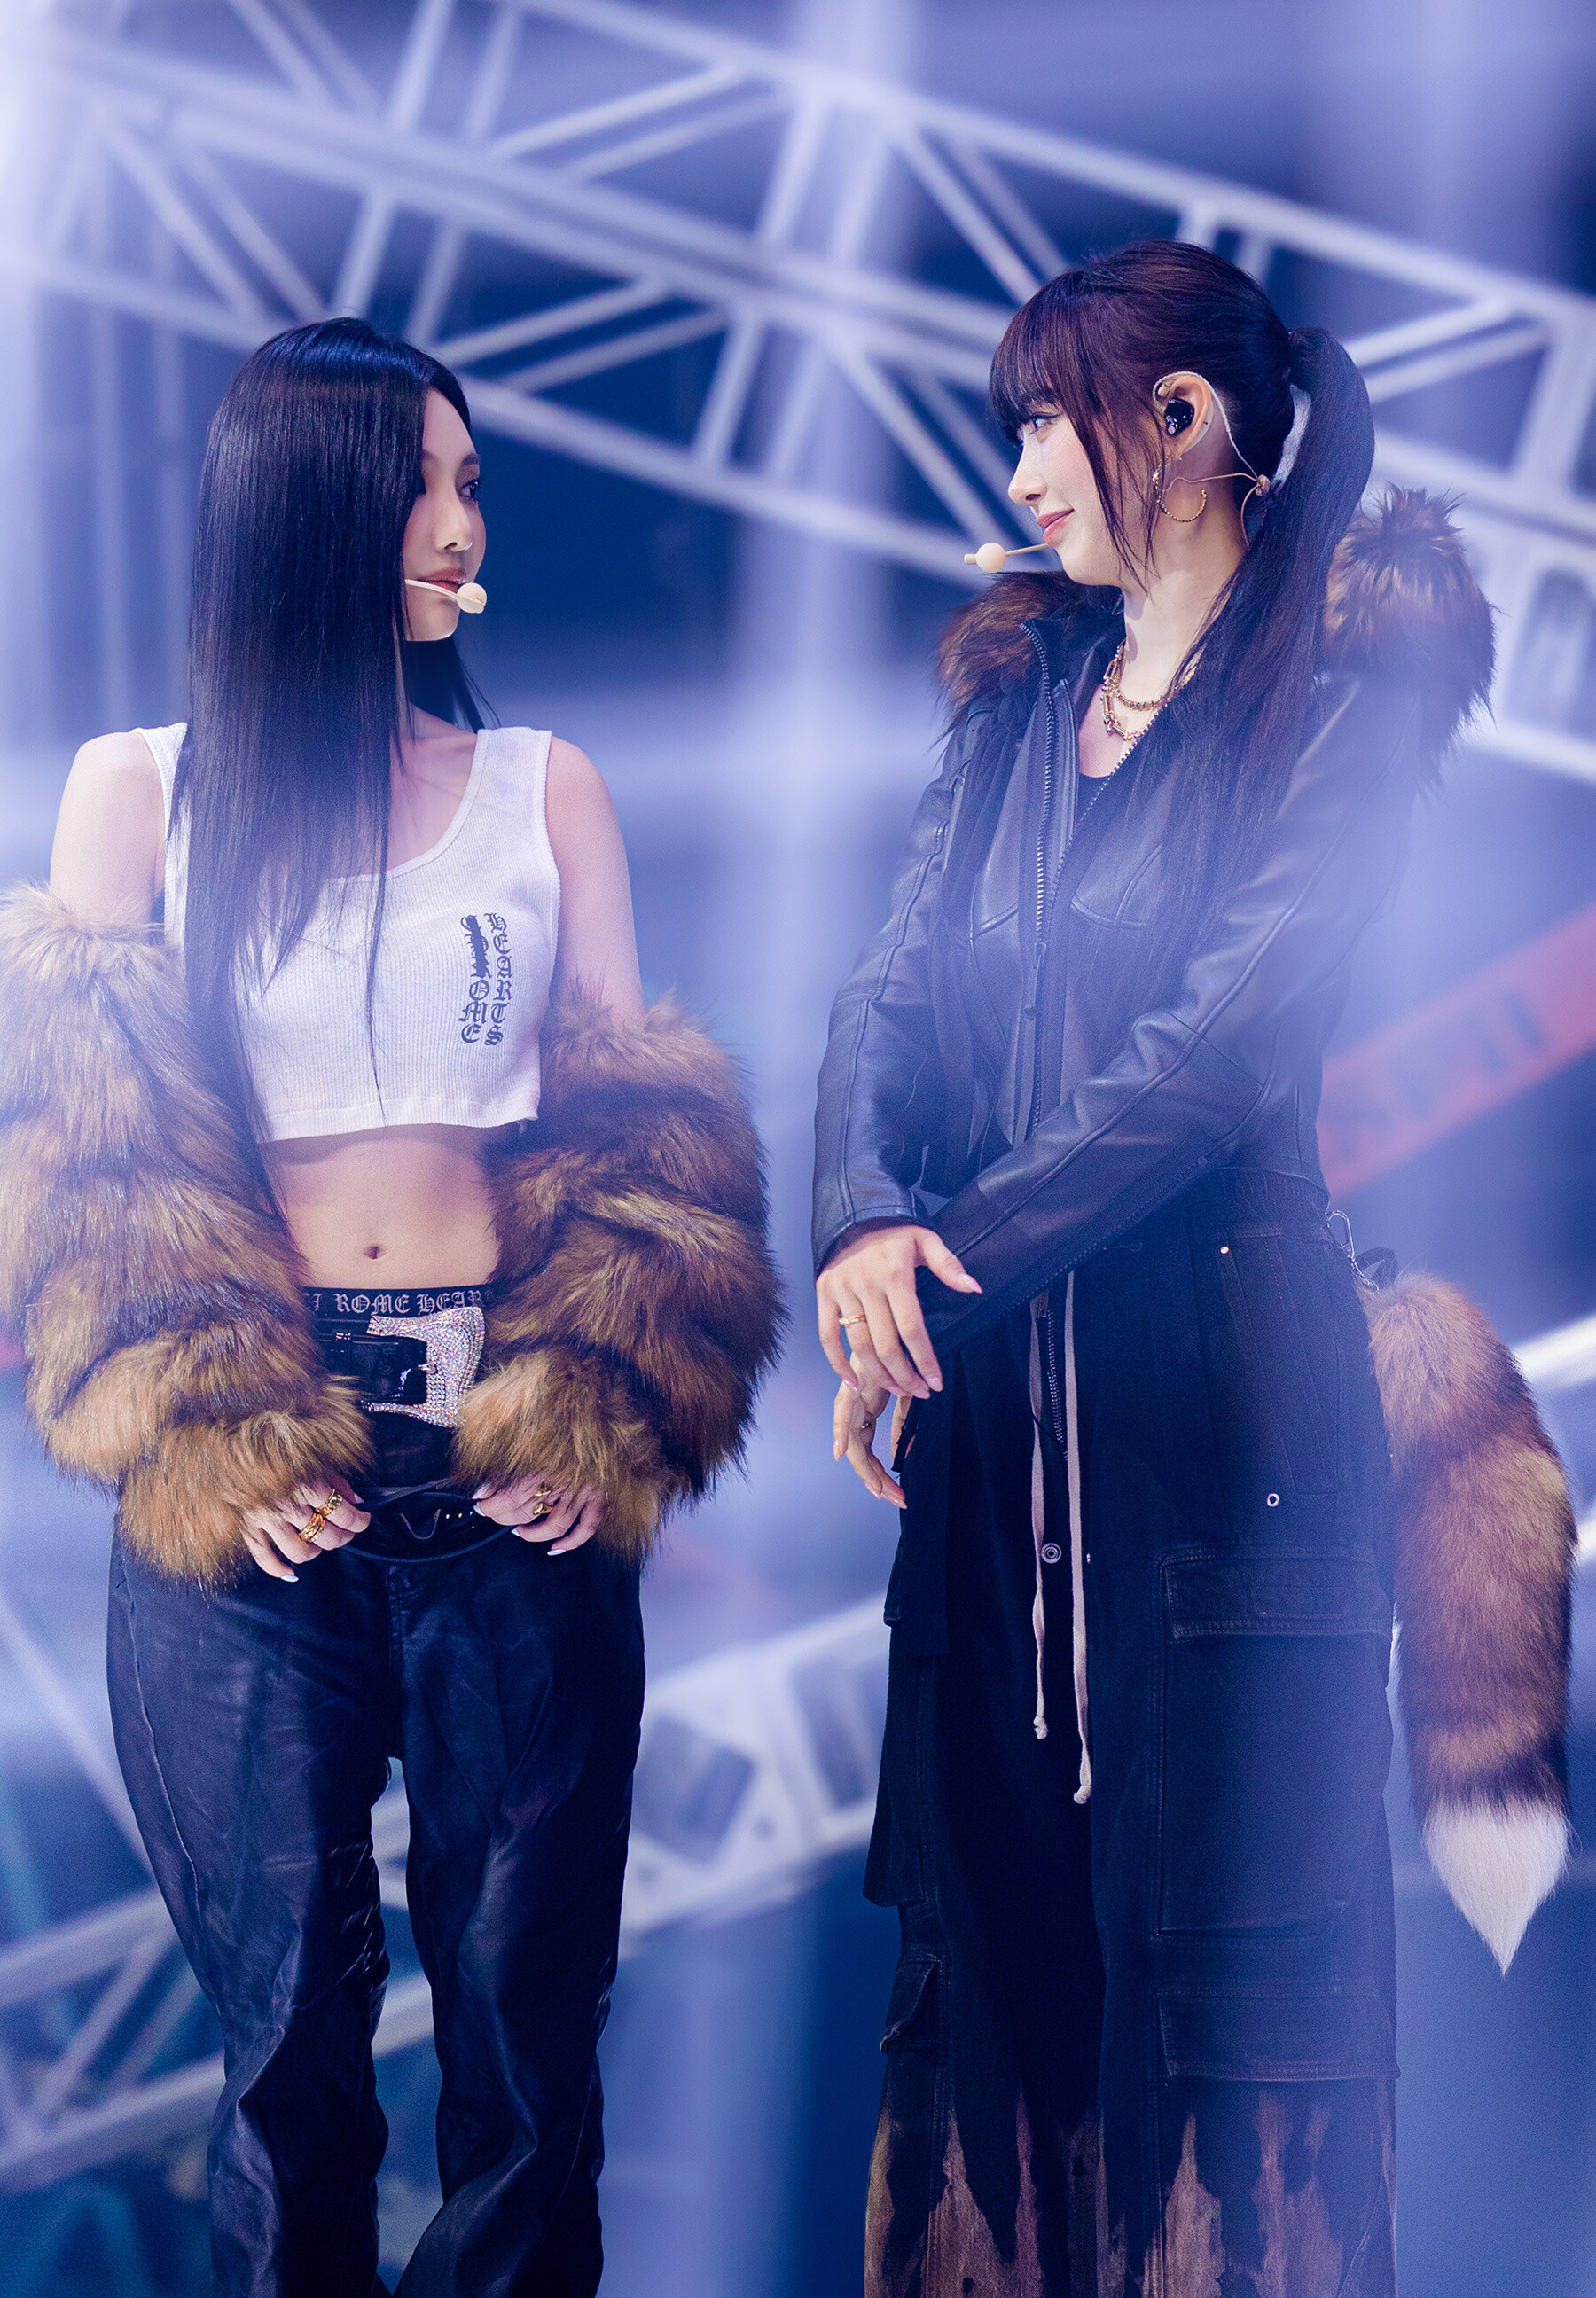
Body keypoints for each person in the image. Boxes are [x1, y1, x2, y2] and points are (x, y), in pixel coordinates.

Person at [0, 318, 779, 2296]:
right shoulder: (134, 794)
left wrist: (600, 1406)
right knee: (288, 2066)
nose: (460, 527)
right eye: (422, 484)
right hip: (249, 1495)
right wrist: (205, 1433)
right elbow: (86, 1175)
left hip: (507, 1464)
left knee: (529, 2053)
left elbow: (644, 1143)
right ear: (308, 504)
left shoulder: (544, 787)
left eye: (472, 484)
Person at [811, 241, 1502, 2294]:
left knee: (1237, 2012)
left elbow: (1216, 1058)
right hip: (997, 1450)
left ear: (1184, 424)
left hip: (1228, 1429)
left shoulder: (1339, 705)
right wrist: (859, 1222)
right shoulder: (1020, 701)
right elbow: (887, 997)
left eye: (1051, 422)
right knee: (993, 1996)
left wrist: (940, 1268)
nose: (1026, 473)